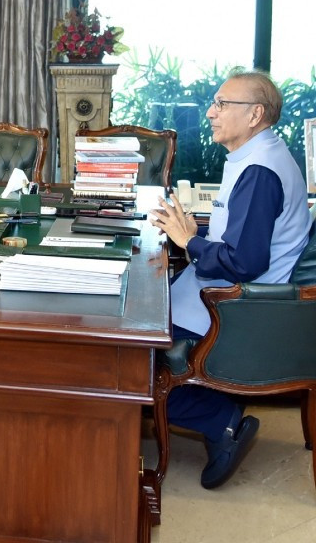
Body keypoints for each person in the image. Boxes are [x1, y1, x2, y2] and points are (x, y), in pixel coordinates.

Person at [151, 69, 311, 489]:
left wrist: (190, 241)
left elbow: (245, 262)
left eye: (223, 104)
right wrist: (192, 234)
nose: (210, 112)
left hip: (239, 304)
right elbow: (239, 237)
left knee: (130, 354)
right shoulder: (256, 157)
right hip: (223, 290)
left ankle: (221, 421)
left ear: (255, 114)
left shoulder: (260, 172)